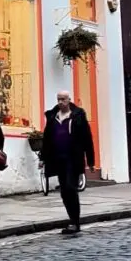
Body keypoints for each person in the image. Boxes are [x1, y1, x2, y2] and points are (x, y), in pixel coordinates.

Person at [41, 90, 95, 235]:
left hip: (73, 158)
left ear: (69, 99)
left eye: (63, 99)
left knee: (71, 188)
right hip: (58, 158)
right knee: (64, 191)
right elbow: (47, 139)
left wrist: (90, 161)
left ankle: (75, 222)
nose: (60, 102)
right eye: (58, 99)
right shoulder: (52, 117)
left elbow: (87, 138)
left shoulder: (77, 116)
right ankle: (72, 219)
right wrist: (43, 158)